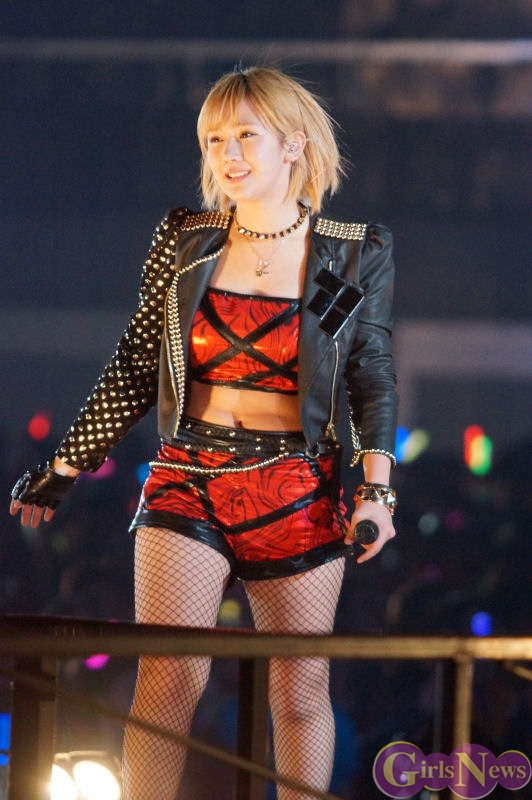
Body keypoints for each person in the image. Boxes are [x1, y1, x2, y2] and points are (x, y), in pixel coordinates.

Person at [10, 66, 398, 800]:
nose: (228, 154)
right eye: (215, 139)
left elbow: (369, 376)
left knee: (300, 692)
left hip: (296, 487)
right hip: (188, 476)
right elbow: (135, 362)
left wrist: (377, 492)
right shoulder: (186, 239)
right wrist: (64, 466)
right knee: (167, 676)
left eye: (245, 135)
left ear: (294, 144)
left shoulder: (350, 251)